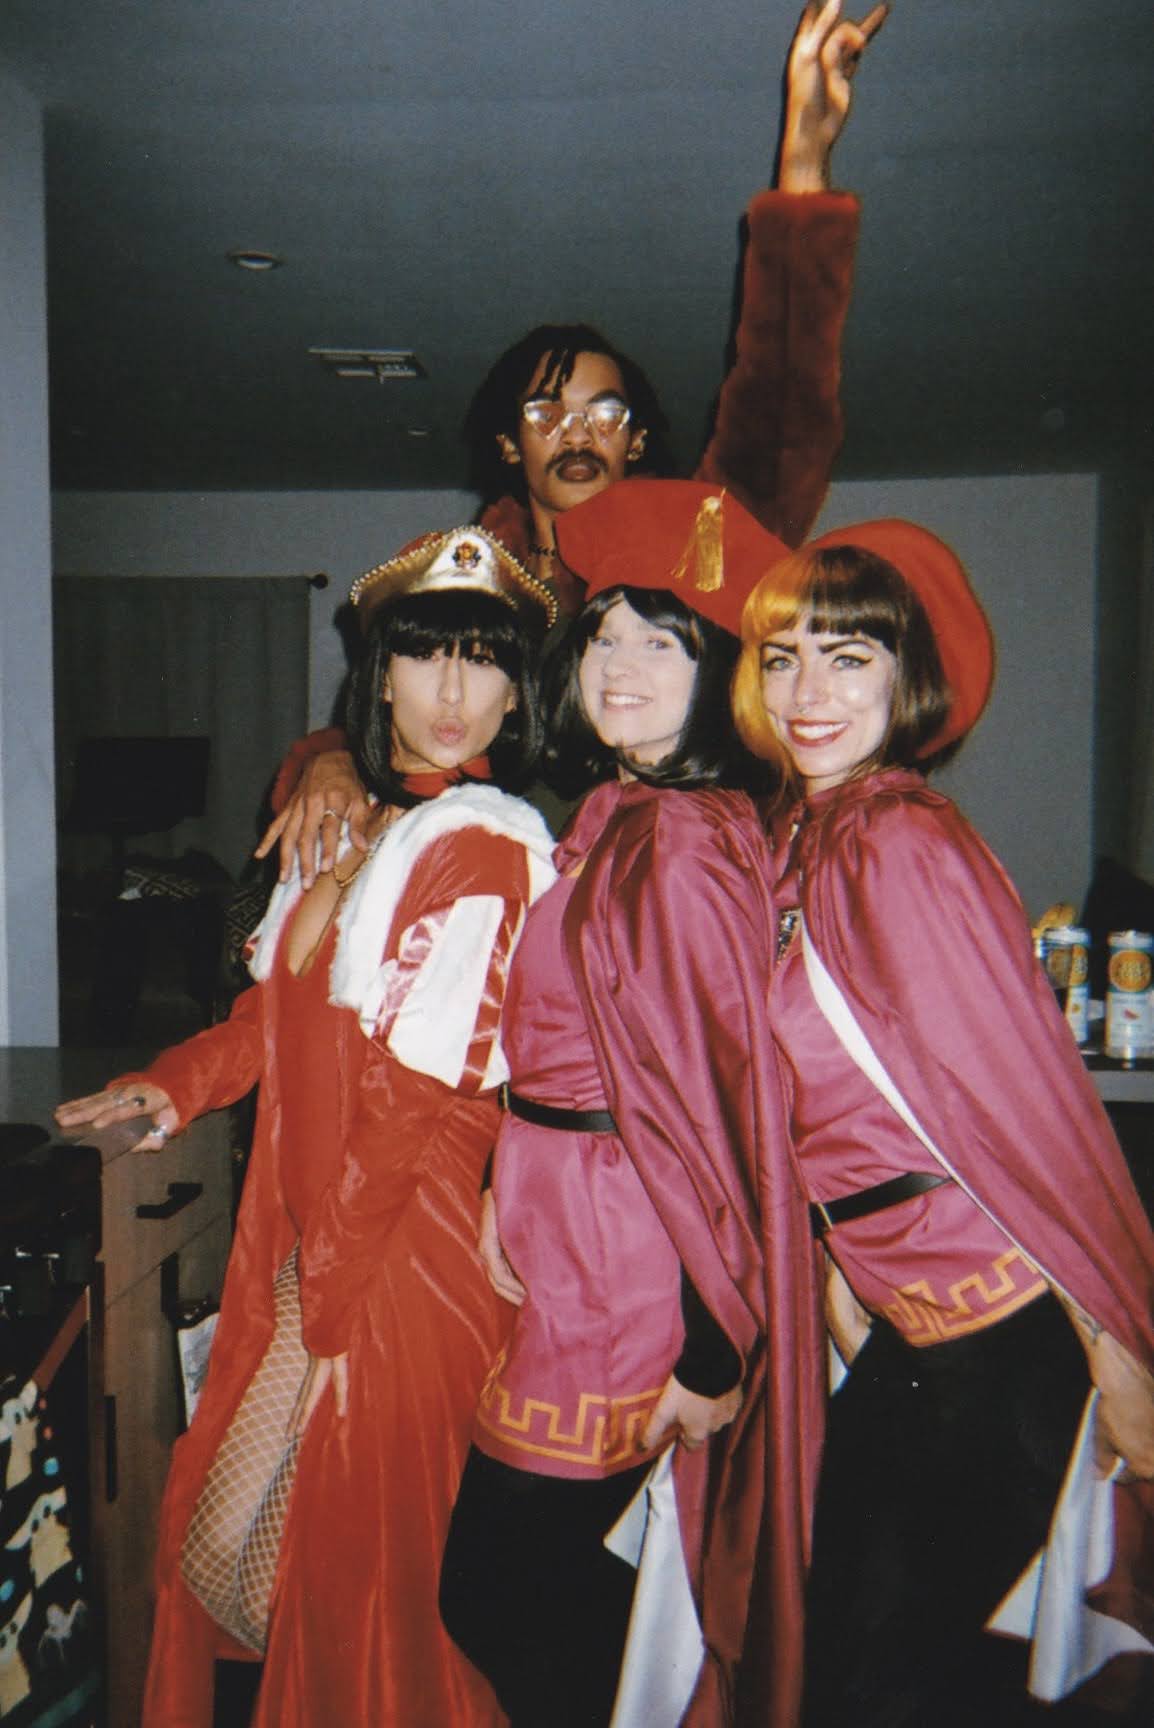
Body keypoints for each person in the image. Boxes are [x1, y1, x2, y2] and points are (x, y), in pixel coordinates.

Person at [55, 528, 559, 1728]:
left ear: (516, 691)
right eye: (425, 655)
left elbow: (409, 1103)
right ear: (378, 677)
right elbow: (268, 1019)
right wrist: (171, 1084)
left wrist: (328, 1306)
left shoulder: (488, 846)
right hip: (319, 1243)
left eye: (484, 660)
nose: (452, 690)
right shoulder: (351, 825)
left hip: (406, 1258)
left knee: (363, 1598)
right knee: (229, 1559)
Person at [265, 0, 888, 884]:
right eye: (545, 412)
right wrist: (327, 763)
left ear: (637, 442)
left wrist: (804, 169)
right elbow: (388, 713)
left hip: (686, 888)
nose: (577, 432)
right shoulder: (471, 580)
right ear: (508, 446)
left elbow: (784, 394)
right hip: (509, 911)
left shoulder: (702, 543)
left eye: (605, 412)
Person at [729, 520, 1154, 1726]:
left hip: (1002, 1335)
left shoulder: (895, 841)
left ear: (905, 677)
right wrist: (835, 1264)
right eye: (781, 657)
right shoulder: (808, 836)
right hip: (916, 1326)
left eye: (848, 658)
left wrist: (1117, 1349)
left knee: (877, 1686)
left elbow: (1022, 1112)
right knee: (858, 1666)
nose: (807, 692)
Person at [438, 479, 798, 1728]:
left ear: (718, 671)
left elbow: (724, 1103)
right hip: (571, 1228)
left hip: (627, 1258)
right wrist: (506, 1180)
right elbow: (562, 1046)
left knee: (497, 1587)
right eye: (604, 634)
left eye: (662, 641)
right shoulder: (620, 813)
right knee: (543, 1586)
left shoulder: (685, 842)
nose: (618, 664)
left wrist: (712, 1345)